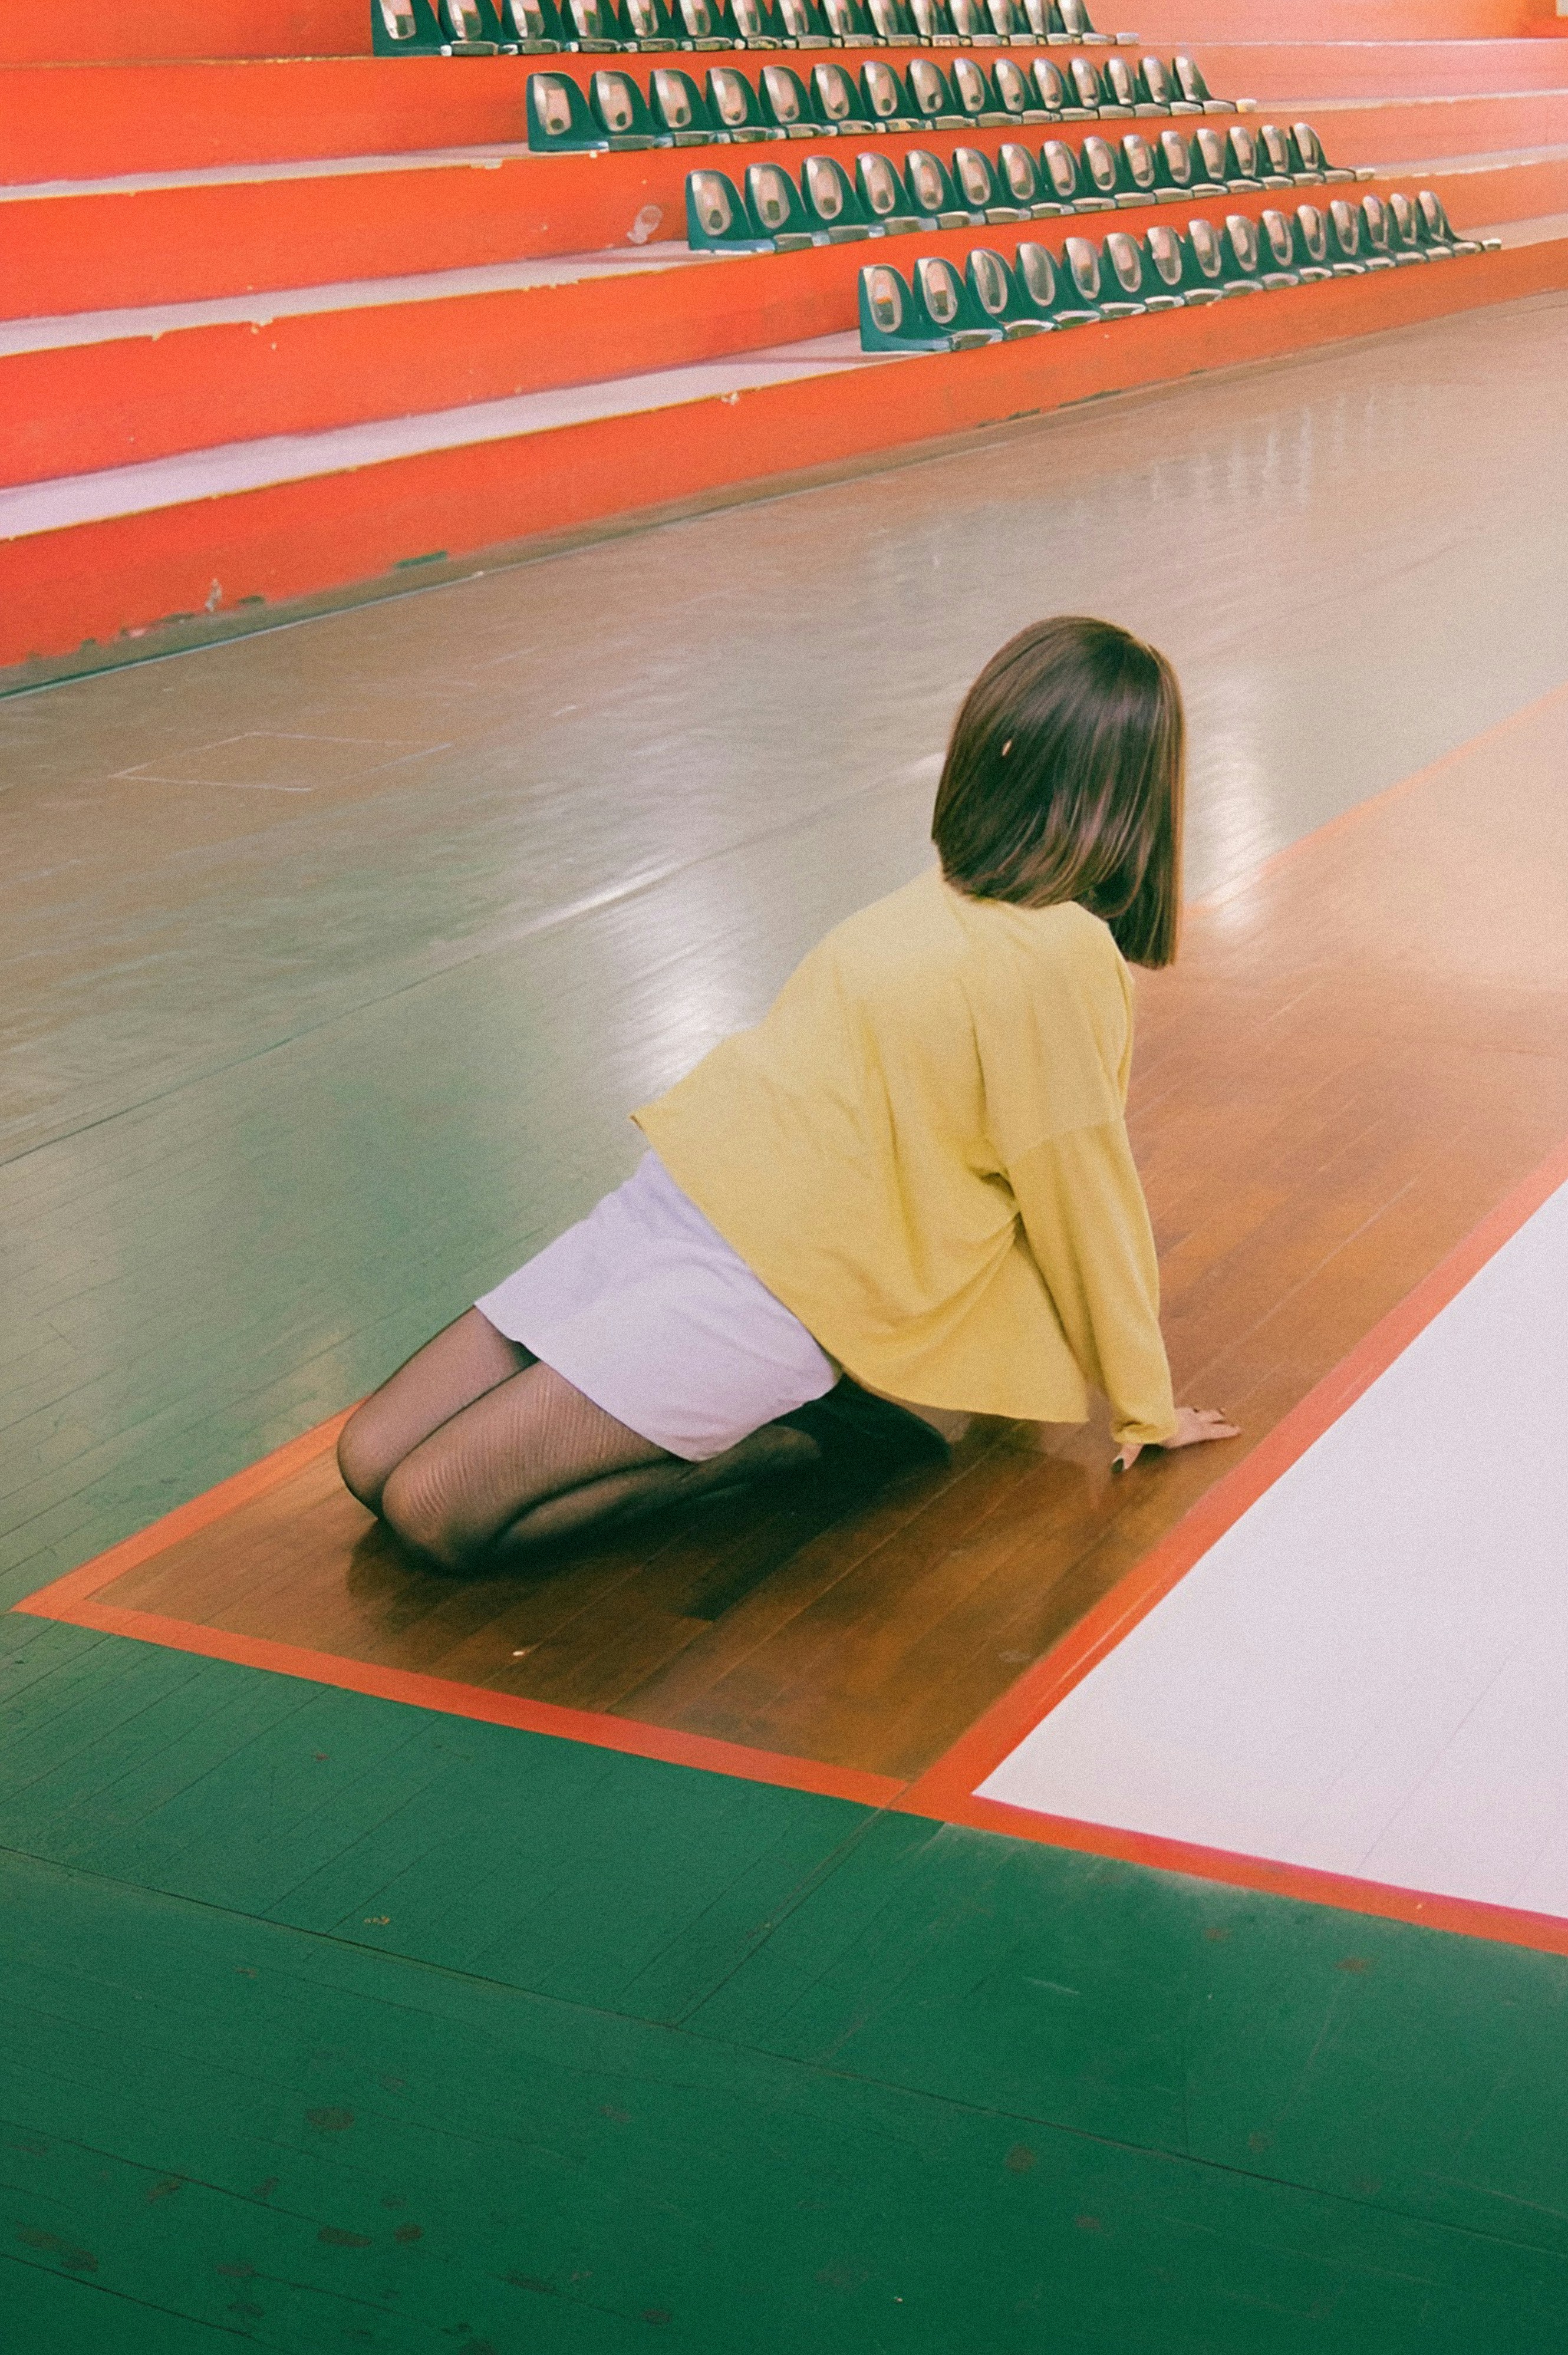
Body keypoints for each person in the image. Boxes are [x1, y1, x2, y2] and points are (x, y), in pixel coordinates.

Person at [338, 615, 1237, 1572]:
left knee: (435, 1510)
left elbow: (1080, 1185)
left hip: (771, 1296)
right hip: (673, 1209)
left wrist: (1144, 1403)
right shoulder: (950, 892)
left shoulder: (1064, 955)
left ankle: (784, 1441)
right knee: (368, 1458)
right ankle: (765, 1417)